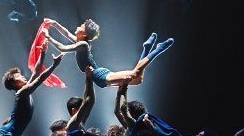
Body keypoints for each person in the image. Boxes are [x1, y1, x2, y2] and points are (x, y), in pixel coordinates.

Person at [42, 18, 174, 88]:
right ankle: (147, 48)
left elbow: (62, 48)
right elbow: (65, 33)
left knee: (135, 75)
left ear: (85, 34)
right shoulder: (81, 42)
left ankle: (158, 49)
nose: (77, 27)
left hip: (99, 75)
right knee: (138, 80)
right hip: (98, 77)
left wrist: (48, 37)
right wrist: (54, 24)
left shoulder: (83, 44)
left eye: (80, 26)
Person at [0, 45, 64, 136]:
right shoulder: (22, 93)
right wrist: (54, 65)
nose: (22, 76)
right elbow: (40, 78)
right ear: (14, 84)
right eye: (18, 76)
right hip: (5, 134)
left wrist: (42, 52)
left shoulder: (25, 91)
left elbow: (36, 73)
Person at [65, 66, 95, 132]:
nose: (85, 110)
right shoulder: (72, 125)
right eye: (81, 107)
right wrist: (88, 76)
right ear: (73, 110)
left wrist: (88, 76)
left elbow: (89, 101)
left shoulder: (79, 123)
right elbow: (88, 101)